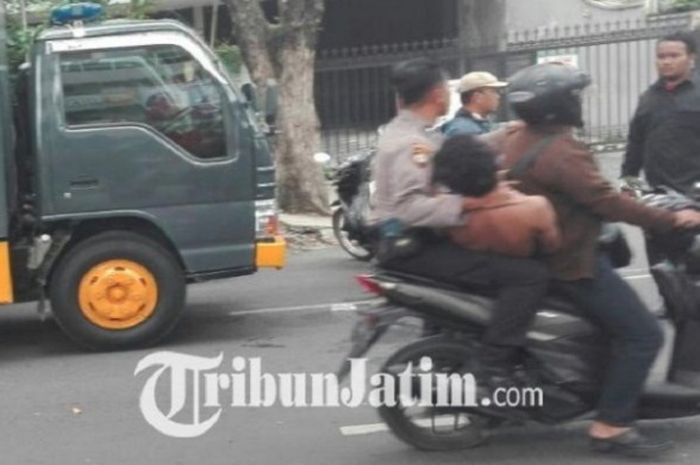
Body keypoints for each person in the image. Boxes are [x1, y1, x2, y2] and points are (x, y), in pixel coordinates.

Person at [501, 61, 700, 457]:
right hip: (574, 264)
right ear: (558, 105)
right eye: (574, 96)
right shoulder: (562, 152)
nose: (579, 102)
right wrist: (671, 217)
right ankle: (611, 424)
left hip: (545, 255)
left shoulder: (517, 138)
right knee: (645, 334)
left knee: (618, 330)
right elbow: (606, 202)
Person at [371, 57, 551, 382]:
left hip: (413, 244)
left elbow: (448, 152)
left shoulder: (410, 134)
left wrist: (505, 133)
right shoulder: (410, 145)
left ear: (400, 98)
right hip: (415, 248)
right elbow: (408, 207)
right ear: (439, 94)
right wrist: (469, 202)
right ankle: (493, 365)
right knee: (528, 276)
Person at [432, 134, 561, 259]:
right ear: (494, 164)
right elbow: (551, 248)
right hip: (524, 268)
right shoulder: (536, 207)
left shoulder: (443, 216)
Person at [621, 31, 700, 194]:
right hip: (660, 195)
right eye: (661, 57)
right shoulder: (648, 99)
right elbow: (635, 146)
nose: (666, 62)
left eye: (674, 56)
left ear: (691, 58)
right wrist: (629, 185)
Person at [441, 71, 508, 137]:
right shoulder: (464, 131)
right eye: (493, 92)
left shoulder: (480, 125)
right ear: (477, 97)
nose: (498, 96)